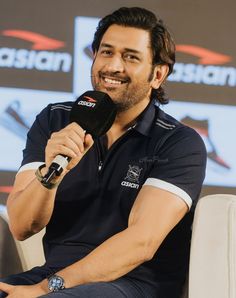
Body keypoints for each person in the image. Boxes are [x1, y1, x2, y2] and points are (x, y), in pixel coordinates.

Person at [0, 6, 206, 298]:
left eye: (130, 57)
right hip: (54, 274)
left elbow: (141, 243)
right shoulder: (56, 120)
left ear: (157, 74)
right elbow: (22, 226)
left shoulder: (179, 143)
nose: (113, 66)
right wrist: (50, 177)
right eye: (106, 52)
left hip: (133, 285)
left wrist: (45, 290)